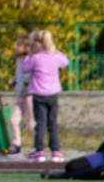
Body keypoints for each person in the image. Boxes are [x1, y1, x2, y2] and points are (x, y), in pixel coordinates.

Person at [18, 29, 70, 162]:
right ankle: (55, 151)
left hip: (38, 94)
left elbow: (24, 69)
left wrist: (28, 55)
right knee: (53, 123)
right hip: (53, 94)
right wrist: (54, 50)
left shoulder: (35, 58)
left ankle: (39, 151)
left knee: (40, 123)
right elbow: (65, 62)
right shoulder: (54, 56)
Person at [0, 32, 32, 158]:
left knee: (32, 122)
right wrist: (14, 81)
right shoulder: (18, 60)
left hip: (29, 94)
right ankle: (16, 145)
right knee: (13, 120)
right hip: (20, 94)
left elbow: (31, 75)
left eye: (19, 45)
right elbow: (18, 74)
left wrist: (23, 81)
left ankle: (37, 147)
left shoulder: (30, 60)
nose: (16, 47)